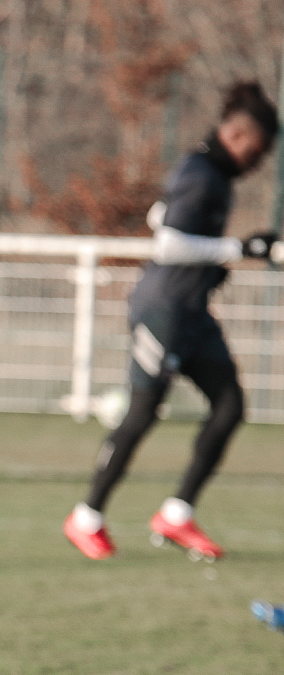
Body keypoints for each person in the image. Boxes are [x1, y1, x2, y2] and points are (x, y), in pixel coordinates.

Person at [64, 81, 279, 561]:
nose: (258, 162)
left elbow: (159, 214)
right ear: (237, 136)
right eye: (257, 151)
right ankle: (86, 516)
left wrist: (218, 262)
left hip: (192, 313)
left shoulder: (210, 174)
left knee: (229, 406)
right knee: (143, 411)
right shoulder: (201, 173)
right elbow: (168, 243)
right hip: (162, 310)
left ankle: (177, 514)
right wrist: (237, 249)